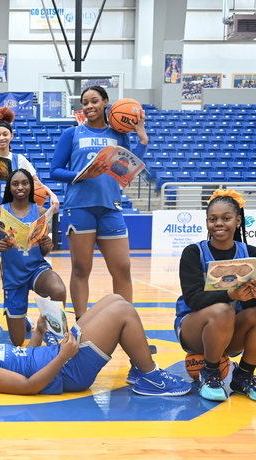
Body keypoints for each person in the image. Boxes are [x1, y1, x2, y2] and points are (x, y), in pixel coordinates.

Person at [0, 296, 191, 397]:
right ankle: (150, 377)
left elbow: (27, 356)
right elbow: (29, 386)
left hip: (62, 355)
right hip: (69, 371)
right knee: (123, 311)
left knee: (114, 298)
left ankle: (138, 369)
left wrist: (39, 332)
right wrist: (63, 356)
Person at [49, 85, 148, 320]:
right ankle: (81, 323)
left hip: (110, 207)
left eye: (94, 101)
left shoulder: (119, 135)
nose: (89, 106)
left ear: (105, 102)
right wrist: (81, 174)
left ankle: (124, 322)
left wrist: (142, 139)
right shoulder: (72, 134)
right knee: (81, 269)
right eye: (85, 103)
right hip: (79, 207)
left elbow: (129, 170)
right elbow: (54, 170)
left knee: (122, 268)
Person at [174, 190, 256, 403]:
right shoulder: (194, 252)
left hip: (229, 330)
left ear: (238, 221)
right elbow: (193, 299)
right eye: (213, 219)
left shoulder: (251, 252)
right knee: (223, 310)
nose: (219, 223)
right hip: (194, 329)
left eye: (226, 218)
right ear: (207, 222)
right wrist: (231, 293)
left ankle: (243, 377)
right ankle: (209, 374)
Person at [0, 107, 59, 332]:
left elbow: (36, 183)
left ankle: (17, 313)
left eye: (5, 134)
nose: (1, 137)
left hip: (17, 218)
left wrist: (52, 195)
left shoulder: (19, 159)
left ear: (11, 136)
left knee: (15, 265)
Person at [0, 169, 66, 347]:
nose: (20, 187)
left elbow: (44, 251)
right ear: (9, 188)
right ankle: (23, 321)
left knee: (58, 290)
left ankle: (49, 332)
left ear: (31, 186)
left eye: (25, 183)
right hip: (13, 277)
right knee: (18, 341)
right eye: (15, 184)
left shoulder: (41, 212)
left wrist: (47, 246)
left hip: (36, 269)